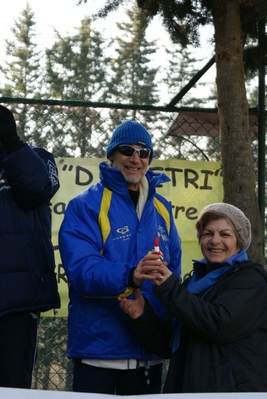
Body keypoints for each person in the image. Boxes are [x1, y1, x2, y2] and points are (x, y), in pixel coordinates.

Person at [59, 120, 182, 395]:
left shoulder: (163, 208)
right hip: (99, 350)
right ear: (112, 156)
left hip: (148, 353)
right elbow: (81, 269)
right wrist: (131, 276)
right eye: (127, 150)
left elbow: (173, 271)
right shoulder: (86, 204)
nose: (136, 159)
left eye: (144, 152)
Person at [119, 202, 267, 393]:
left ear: (239, 241)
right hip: (186, 390)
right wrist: (141, 315)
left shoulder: (251, 279)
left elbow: (220, 325)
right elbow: (167, 344)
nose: (215, 241)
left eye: (225, 234)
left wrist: (170, 288)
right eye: (207, 233)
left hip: (231, 393)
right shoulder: (193, 284)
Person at [0, 104, 60, 389]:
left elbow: (38, 189)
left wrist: (11, 144)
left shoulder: (35, 156)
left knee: (12, 385)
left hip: (18, 300)